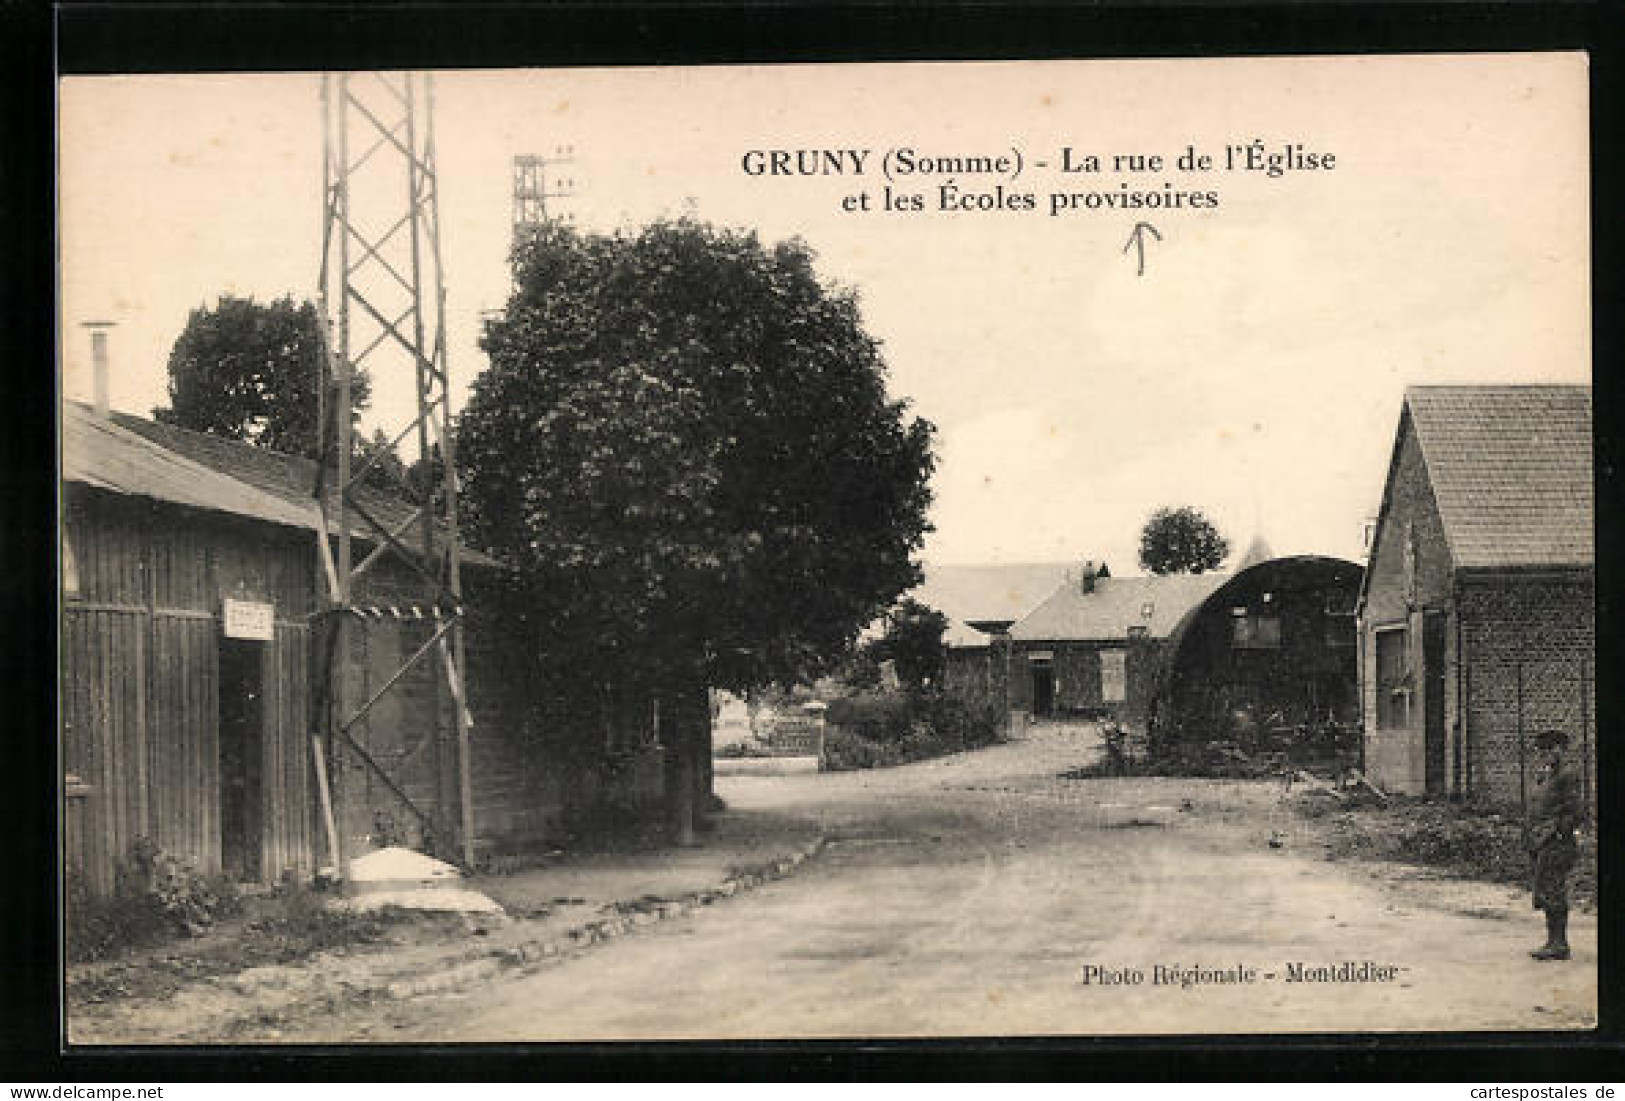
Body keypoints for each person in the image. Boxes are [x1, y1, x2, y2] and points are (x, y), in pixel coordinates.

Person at [1527, 728, 1584, 961]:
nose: (1546, 755)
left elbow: (1576, 811)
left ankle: (1559, 944)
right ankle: (1553, 941)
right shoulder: (1547, 775)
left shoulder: (1567, 776)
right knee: (1545, 890)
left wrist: (1561, 832)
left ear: (1561, 750)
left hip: (1557, 841)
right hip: (1541, 839)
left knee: (1553, 889)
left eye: (1551, 749)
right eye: (1542, 751)